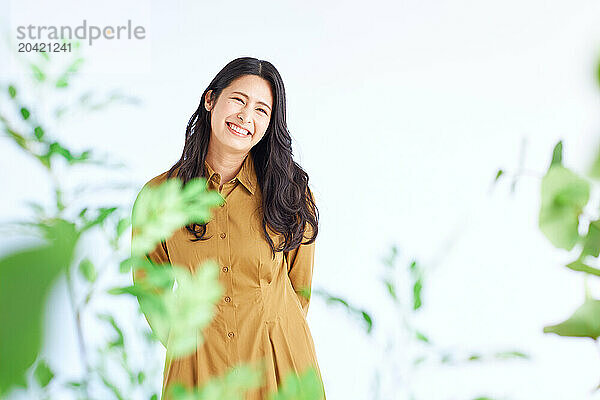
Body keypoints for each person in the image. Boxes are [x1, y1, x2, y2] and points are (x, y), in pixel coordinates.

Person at [132, 57, 325, 400]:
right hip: (198, 372)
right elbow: (151, 290)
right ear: (210, 100)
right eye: (238, 100)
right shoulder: (160, 197)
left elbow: (300, 291)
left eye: (261, 110)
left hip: (281, 368)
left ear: (269, 124)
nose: (246, 117)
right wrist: (194, 343)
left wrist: (269, 331)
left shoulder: (291, 194)